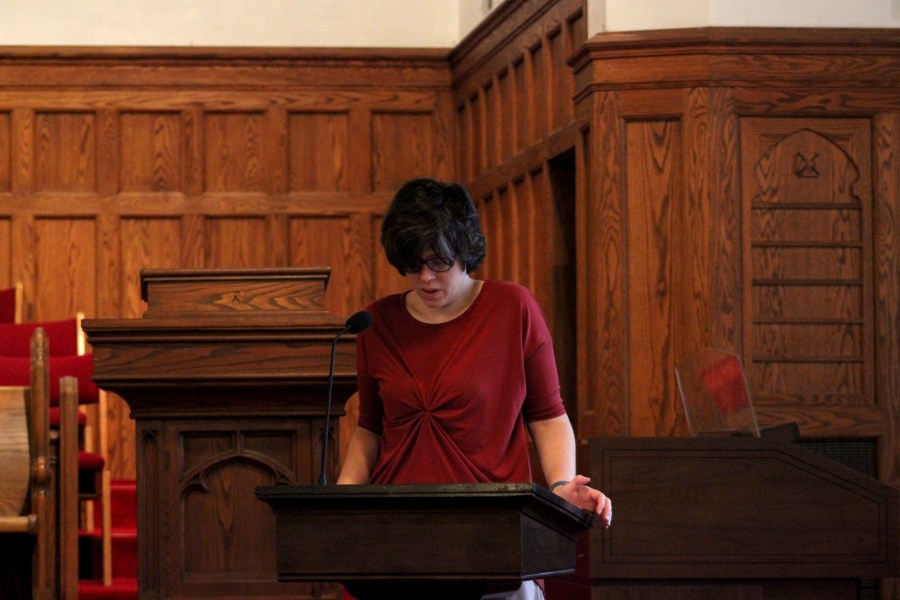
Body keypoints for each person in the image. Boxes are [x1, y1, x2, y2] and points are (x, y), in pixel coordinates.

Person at [337, 178, 612, 600]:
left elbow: (548, 417)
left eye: (438, 262)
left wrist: (560, 488)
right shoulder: (376, 323)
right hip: (398, 537)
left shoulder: (513, 308)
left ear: (464, 249)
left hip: (496, 535)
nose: (425, 277)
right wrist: (339, 505)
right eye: (412, 265)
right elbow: (369, 430)